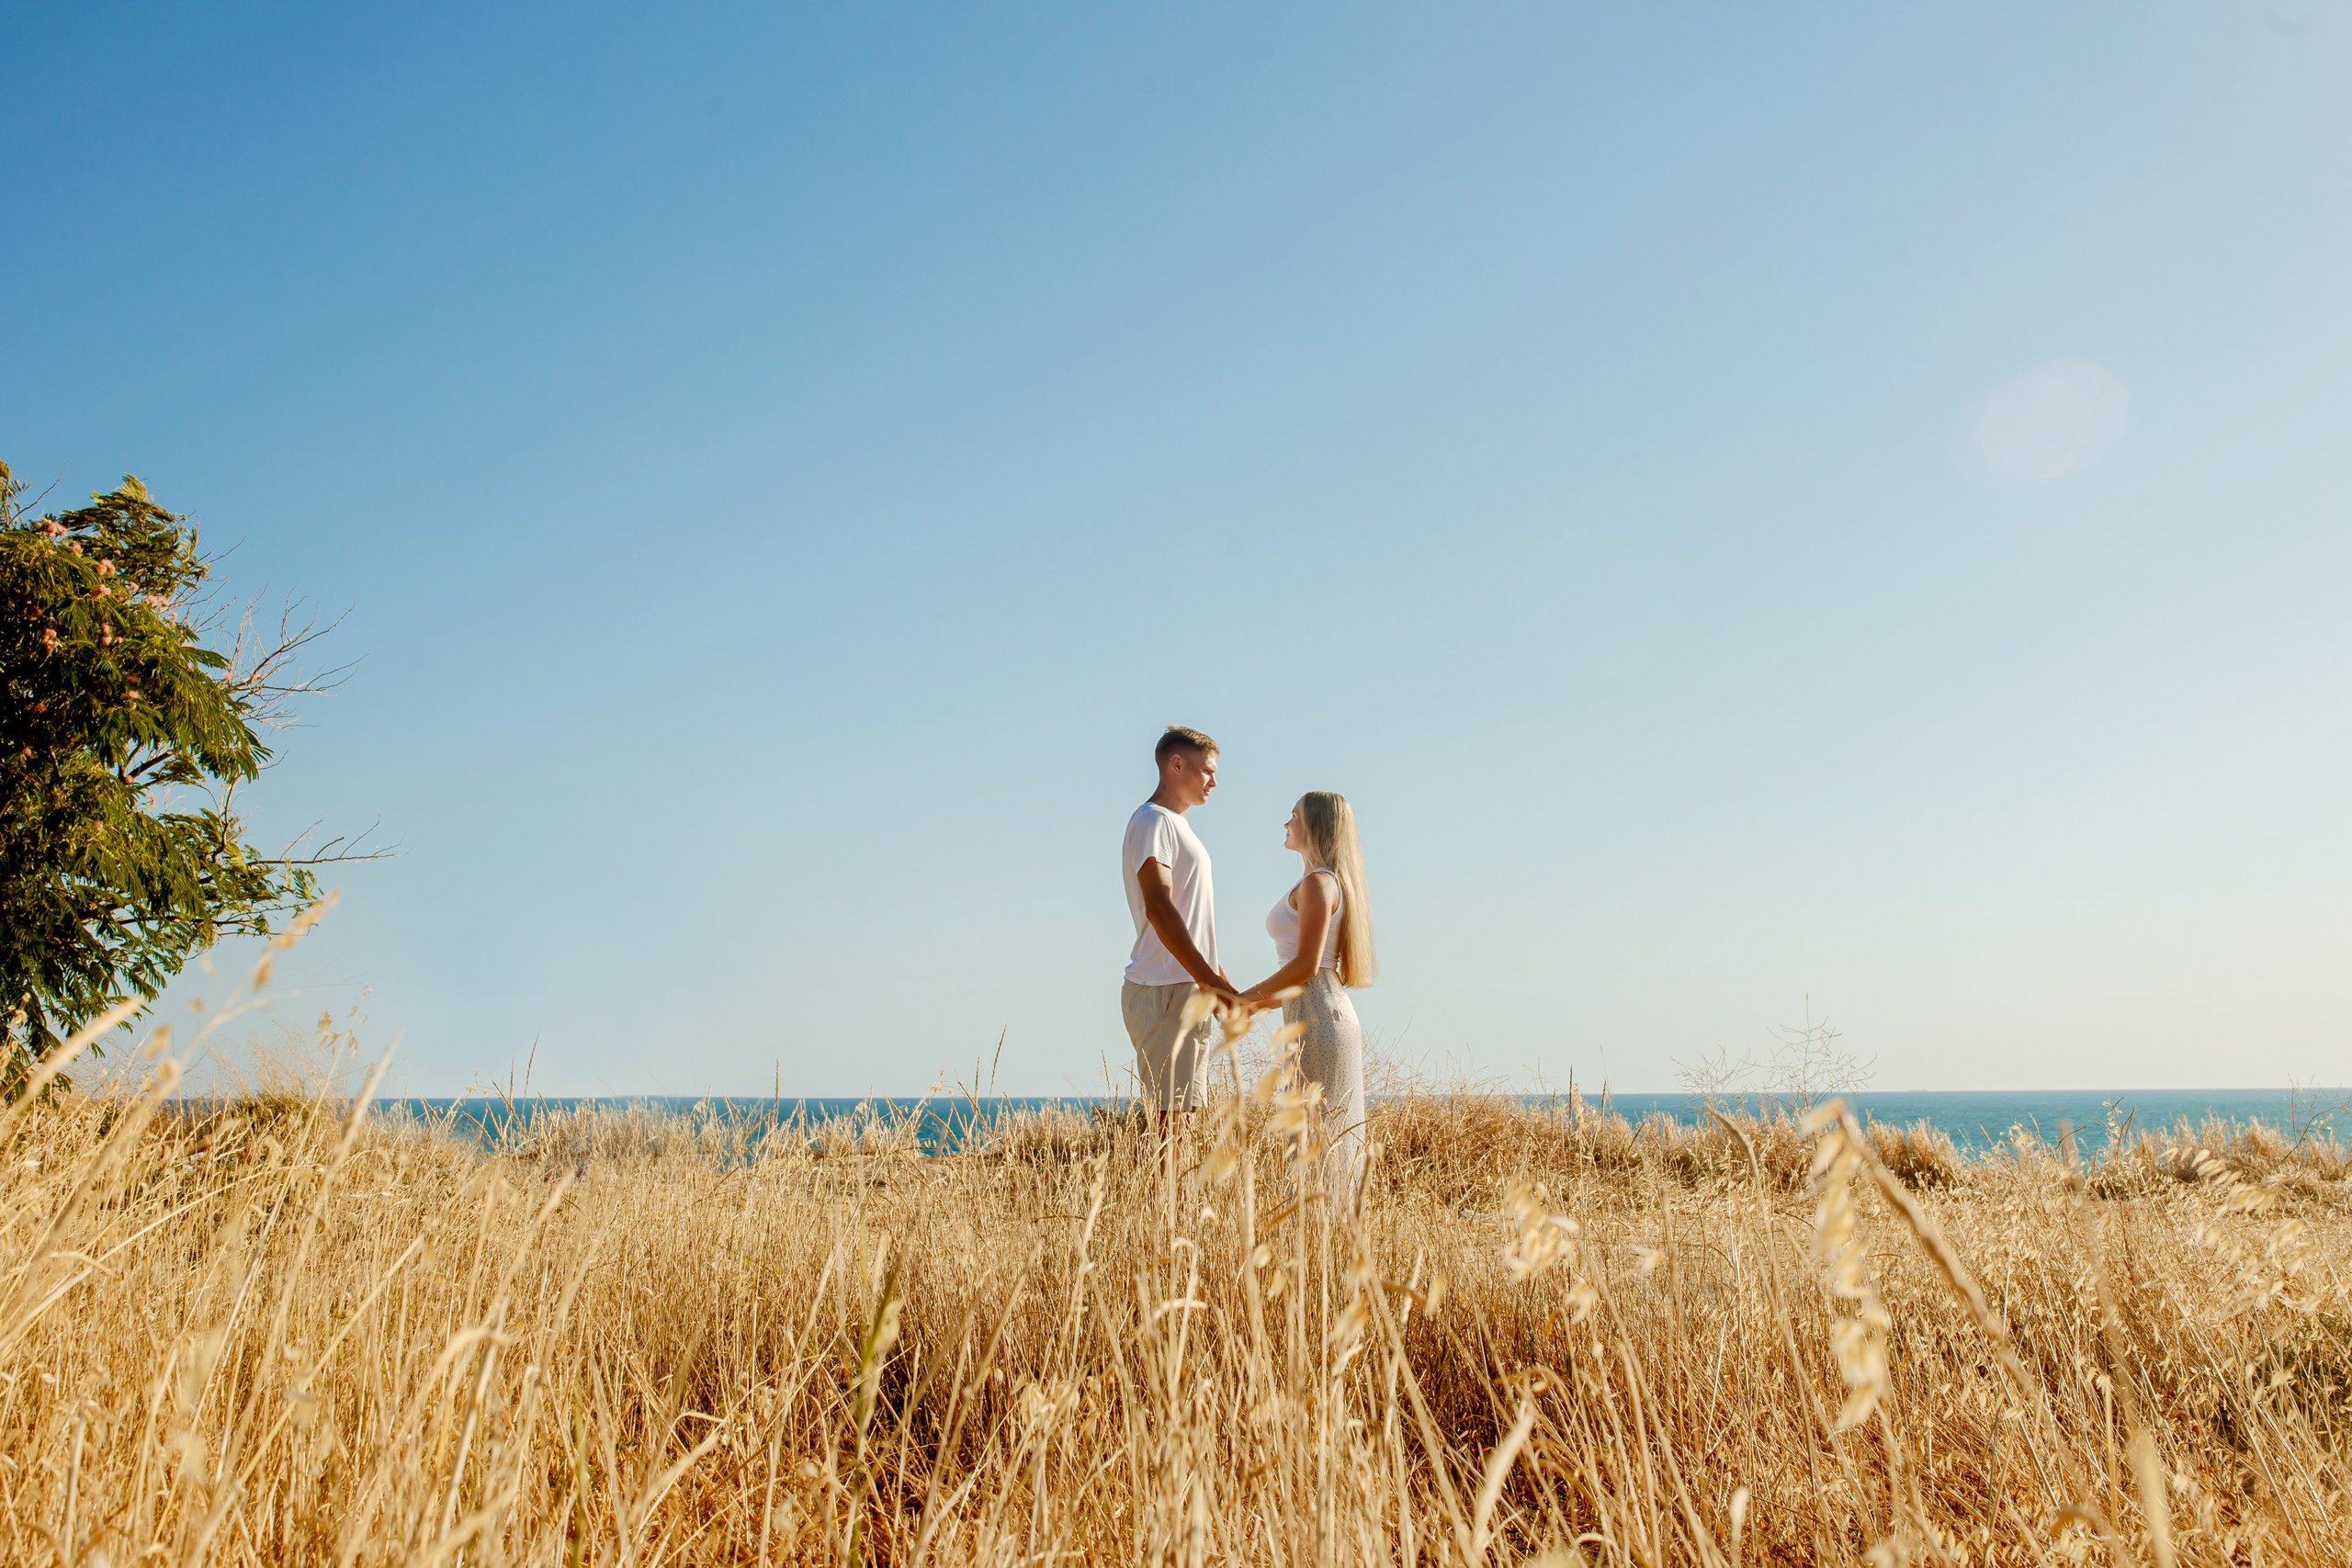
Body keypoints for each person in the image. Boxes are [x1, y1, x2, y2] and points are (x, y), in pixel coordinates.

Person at [1238, 791, 1376, 1209]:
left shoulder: (1319, 883)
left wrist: (1246, 1001)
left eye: (1293, 816)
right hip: (1313, 1011)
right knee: (1313, 1138)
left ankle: (1323, 1234)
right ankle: (1324, 1237)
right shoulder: (1319, 881)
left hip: (1319, 1017)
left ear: (1313, 825)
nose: (1286, 823)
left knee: (1316, 1140)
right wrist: (1252, 1002)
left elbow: (1305, 967)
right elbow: (1299, 975)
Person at [1121, 727, 1240, 1131]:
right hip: (1164, 990)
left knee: (1181, 1124)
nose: (1214, 781)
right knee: (1168, 1129)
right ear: (1176, 764)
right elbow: (1160, 907)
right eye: (1207, 770)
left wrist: (1219, 982)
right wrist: (1209, 980)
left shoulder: (1177, 825)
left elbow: (1192, 921)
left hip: (1182, 988)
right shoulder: (1153, 821)